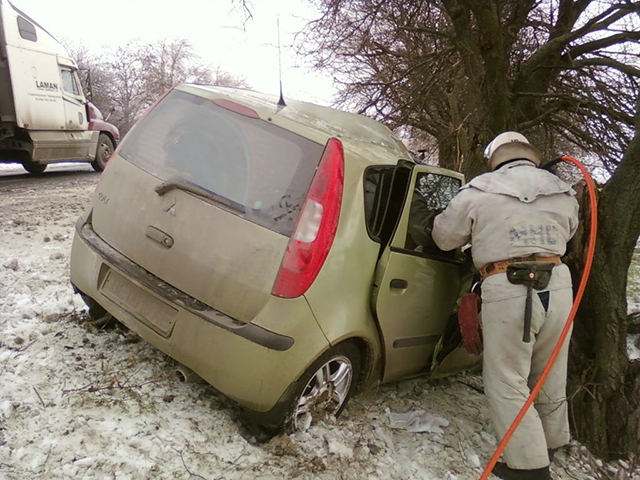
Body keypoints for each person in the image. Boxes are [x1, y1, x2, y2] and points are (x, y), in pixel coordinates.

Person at [431, 132, 579, 480]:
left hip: (507, 283)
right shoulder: (563, 190)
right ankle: (552, 441)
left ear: (494, 157)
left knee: (507, 378)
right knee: (550, 371)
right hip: (558, 283)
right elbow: (570, 232)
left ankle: (529, 468)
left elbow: (443, 237)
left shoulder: (479, 190)